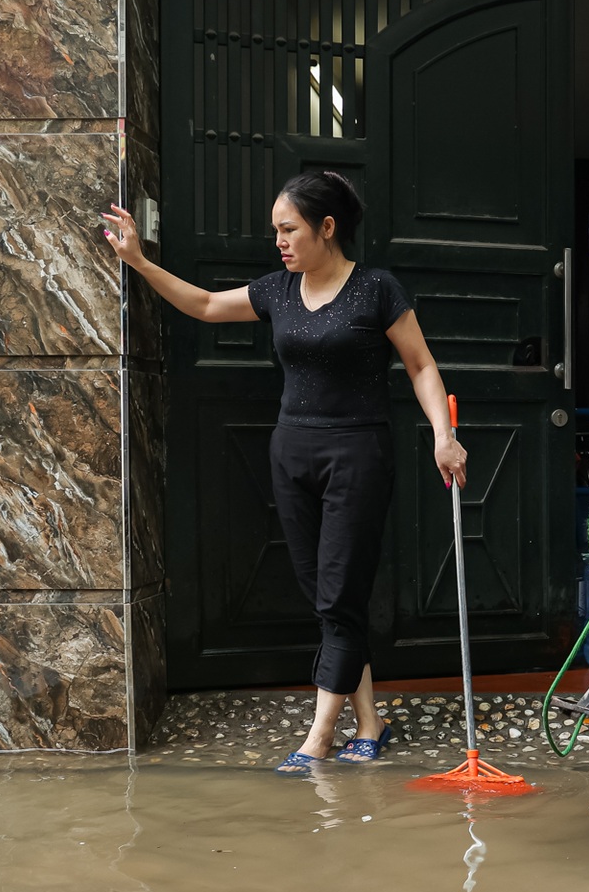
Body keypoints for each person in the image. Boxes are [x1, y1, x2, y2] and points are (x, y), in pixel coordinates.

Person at [101, 173, 467, 774]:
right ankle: (371, 723)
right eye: (276, 230)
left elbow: (422, 364)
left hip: (358, 454)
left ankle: (319, 736)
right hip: (291, 454)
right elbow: (205, 305)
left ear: (328, 227)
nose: (279, 241)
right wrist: (139, 261)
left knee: (338, 592)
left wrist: (443, 437)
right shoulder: (277, 290)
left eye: (289, 228)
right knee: (329, 600)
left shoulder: (377, 290)